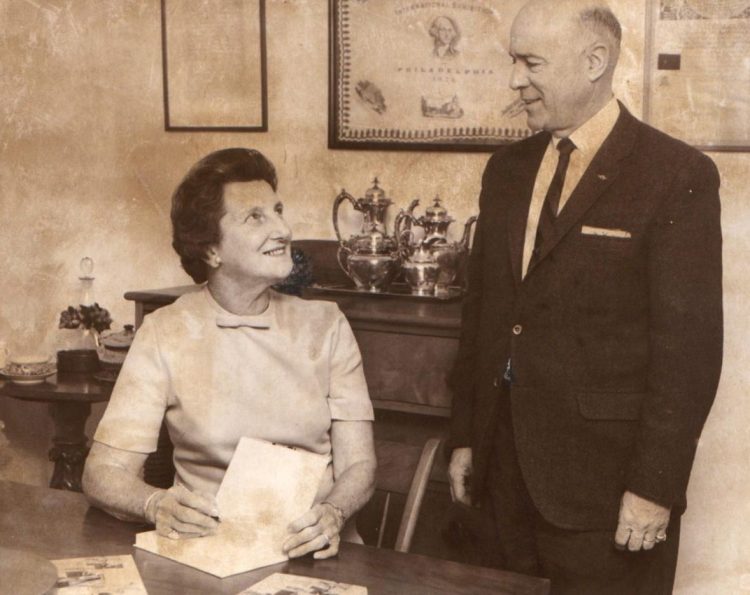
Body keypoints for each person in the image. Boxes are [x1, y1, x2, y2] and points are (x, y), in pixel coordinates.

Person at [446, 1, 722, 593]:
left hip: (607, 499)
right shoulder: (506, 170)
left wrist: (654, 488)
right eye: (512, 61)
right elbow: (484, 317)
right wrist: (467, 437)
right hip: (500, 485)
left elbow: (690, 355)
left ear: (594, 61)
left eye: (531, 62)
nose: (515, 79)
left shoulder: (676, 175)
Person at [83, 148, 376, 560]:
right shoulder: (166, 332)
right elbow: (102, 473)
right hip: (209, 554)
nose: (283, 229)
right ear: (211, 250)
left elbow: (358, 466)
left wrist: (333, 513)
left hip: (314, 554)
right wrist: (155, 504)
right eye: (255, 217)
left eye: (278, 210)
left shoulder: (327, 325)